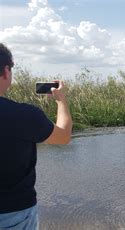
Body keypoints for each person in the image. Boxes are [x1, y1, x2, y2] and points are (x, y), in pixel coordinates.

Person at [0, 43, 72, 229]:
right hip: (12, 213)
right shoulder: (23, 115)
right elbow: (63, 136)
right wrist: (61, 101)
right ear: (6, 71)